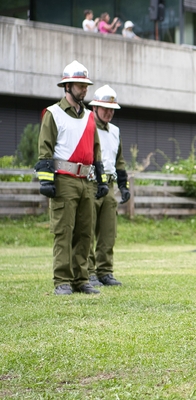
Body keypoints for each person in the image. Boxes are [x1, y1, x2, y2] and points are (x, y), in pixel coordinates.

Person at [35, 60, 109, 295]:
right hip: (64, 180)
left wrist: (102, 179)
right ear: (67, 86)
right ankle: (62, 280)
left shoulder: (89, 116)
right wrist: (46, 180)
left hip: (87, 181)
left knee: (85, 232)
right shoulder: (53, 113)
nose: (84, 89)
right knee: (63, 231)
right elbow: (44, 148)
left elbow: (96, 151)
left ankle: (81, 279)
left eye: (85, 85)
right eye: (79, 85)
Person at [87, 85, 130, 287]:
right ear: (94, 107)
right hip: (90, 183)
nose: (109, 112)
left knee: (108, 232)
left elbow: (119, 160)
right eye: (105, 108)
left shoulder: (115, 131)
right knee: (87, 229)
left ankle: (105, 271)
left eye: (112, 109)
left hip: (109, 185)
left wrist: (124, 185)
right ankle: (88, 272)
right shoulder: (86, 125)